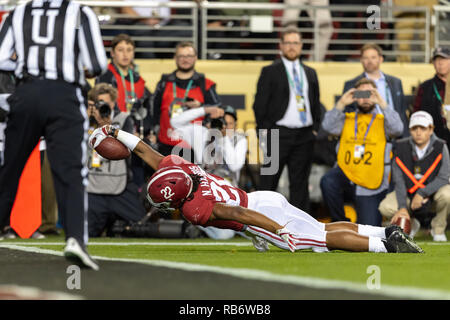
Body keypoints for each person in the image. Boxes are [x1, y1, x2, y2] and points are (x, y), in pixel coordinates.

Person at [88, 124, 424, 254]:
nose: (166, 206)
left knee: (321, 240)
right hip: (262, 198)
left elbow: (236, 214)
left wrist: (273, 230)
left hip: (257, 213)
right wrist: (115, 131)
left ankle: (387, 249)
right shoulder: (177, 166)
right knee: (320, 228)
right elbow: (144, 150)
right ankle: (384, 232)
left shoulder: (193, 208)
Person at [0, 0, 107, 270]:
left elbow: (1, 57)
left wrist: (25, 65)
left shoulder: (18, 12)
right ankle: (75, 240)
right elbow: (97, 63)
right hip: (64, 95)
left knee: (9, 169)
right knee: (71, 172)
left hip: (26, 93)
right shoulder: (80, 12)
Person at [252, 28, 321, 213]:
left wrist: (315, 128)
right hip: (277, 133)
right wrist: (264, 131)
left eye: (295, 43)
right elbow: (259, 104)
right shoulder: (269, 71)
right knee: (268, 181)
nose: (292, 47)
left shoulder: (310, 72)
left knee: (300, 184)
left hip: (305, 135)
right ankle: (261, 224)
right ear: (281, 46)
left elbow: (315, 103)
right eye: (288, 43)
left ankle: (299, 229)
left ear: (301, 46)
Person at [320, 78, 404, 226]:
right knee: (328, 181)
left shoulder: (383, 121)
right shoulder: (346, 118)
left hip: (370, 183)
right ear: (355, 97)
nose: (365, 98)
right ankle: (340, 223)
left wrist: (382, 103)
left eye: (369, 93)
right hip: (346, 174)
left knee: (369, 229)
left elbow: (398, 129)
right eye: (361, 93)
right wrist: (341, 103)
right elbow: (327, 127)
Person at [379, 111, 450, 242]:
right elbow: (398, 181)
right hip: (408, 194)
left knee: (447, 194)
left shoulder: (441, 146)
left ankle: (438, 229)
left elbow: (444, 177)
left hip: (433, 195)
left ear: (431, 129)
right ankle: (411, 222)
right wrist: (402, 207)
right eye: (414, 128)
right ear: (410, 130)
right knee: (385, 207)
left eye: (423, 128)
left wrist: (422, 193)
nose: (418, 132)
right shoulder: (400, 147)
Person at [86, 83, 146, 237]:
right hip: (93, 187)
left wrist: (105, 124)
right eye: (98, 103)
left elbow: (124, 146)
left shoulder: (124, 119)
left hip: (120, 186)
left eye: (106, 103)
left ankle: (116, 227)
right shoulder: (84, 121)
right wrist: (87, 117)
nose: (103, 107)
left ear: (113, 103)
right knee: (87, 233)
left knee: (141, 228)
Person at [95, 33, 155, 187]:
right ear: (113, 53)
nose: (125, 54)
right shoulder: (104, 76)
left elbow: (147, 108)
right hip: (112, 131)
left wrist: (150, 132)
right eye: (120, 50)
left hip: (134, 133)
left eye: (129, 50)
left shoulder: (137, 79)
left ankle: (139, 193)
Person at [153, 41, 221, 161]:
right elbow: (154, 109)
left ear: (195, 58)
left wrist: (200, 106)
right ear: (175, 58)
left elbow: (217, 110)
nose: (185, 59)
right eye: (181, 56)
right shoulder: (164, 82)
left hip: (194, 147)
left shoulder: (205, 84)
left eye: (189, 56)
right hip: (166, 144)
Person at [343, 43, 409, 137]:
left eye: (373, 57)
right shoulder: (352, 85)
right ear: (361, 60)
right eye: (366, 58)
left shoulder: (395, 83)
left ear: (380, 59)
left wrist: (405, 136)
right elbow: (350, 111)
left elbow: (401, 111)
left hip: (394, 133)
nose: (369, 61)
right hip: (366, 135)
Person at [413, 47, 450, 151]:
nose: (440, 63)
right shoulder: (425, 87)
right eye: (437, 60)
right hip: (432, 140)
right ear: (433, 63)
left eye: (444, 59)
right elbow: (417, 113)